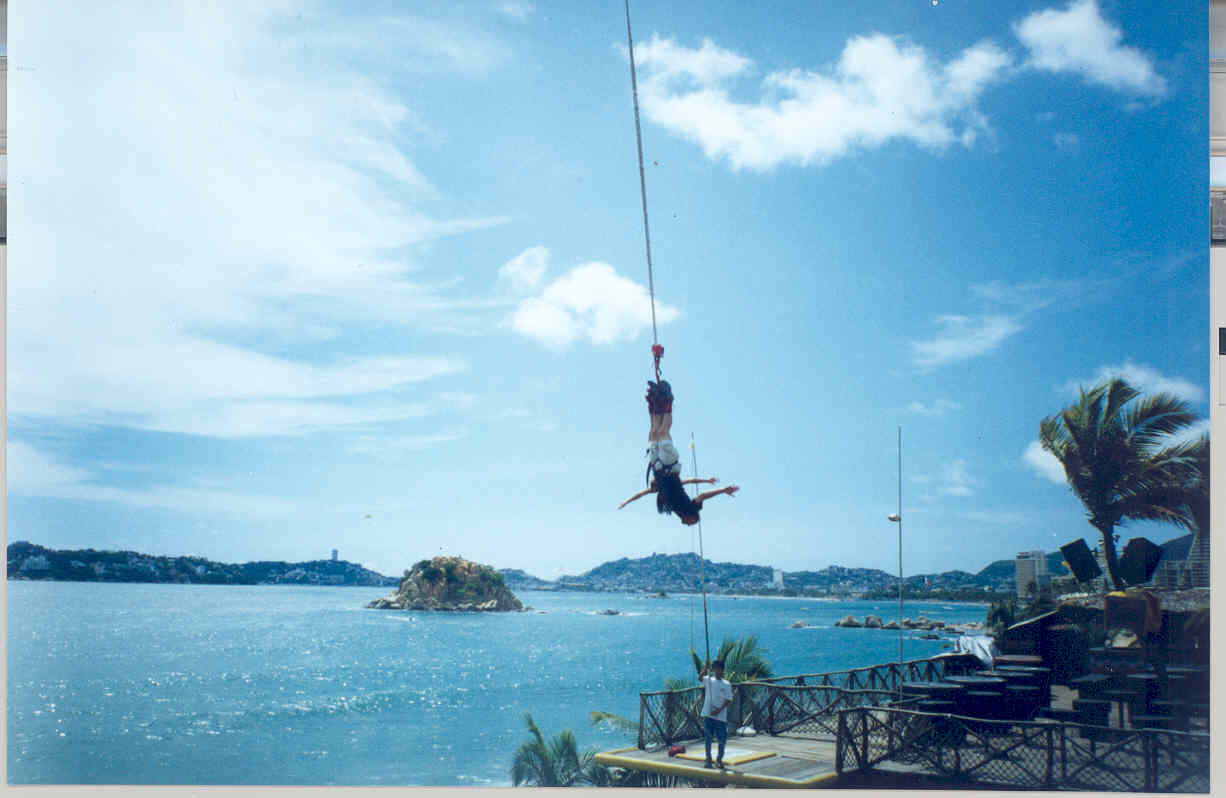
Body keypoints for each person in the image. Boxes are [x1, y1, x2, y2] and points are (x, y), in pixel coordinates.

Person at [618, 379, 739, 525]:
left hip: (658, 466)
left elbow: (640, 494)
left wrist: (626, 502)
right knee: (663, 433)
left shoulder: (669, 500)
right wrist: (722, 490)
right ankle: (667, 401)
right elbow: (702, 495)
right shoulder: (691, 507)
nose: (687, 524)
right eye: (691, 523)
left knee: (654, 432)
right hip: (669, 465)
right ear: (693, 517)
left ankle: (654, 403)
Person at [698, 659, 733, 768]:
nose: (718, 671)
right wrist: (705, 668)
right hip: (709, 715)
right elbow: (700, 678)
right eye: (716, 669)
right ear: (713, 670)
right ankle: (708, 759)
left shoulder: (726, 684)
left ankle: (719, 759)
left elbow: (728, 699)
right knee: (708, 739)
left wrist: (719, 710)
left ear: (723, 670)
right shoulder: (709, 680)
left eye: (720, 669)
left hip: (720, 716)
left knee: (722, 739)